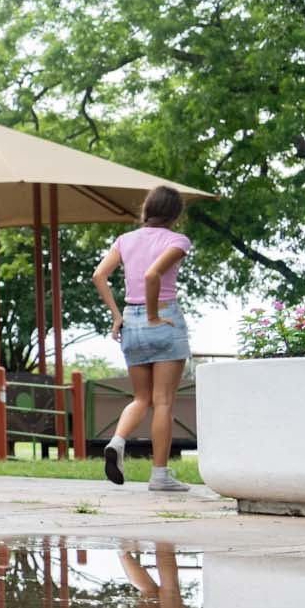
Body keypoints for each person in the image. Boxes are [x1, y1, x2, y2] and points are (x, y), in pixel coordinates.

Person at [91, 184, 193, 492]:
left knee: (140, 398)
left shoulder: (125, 240)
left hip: (130, 321)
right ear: (175, 213)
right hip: (163, 317)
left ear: (147, 208)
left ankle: (118, 441)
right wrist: (152, 315)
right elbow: (152, 275)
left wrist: (117, 315)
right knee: (163, 402)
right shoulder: (177, 240)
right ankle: (160, 476)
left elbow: (99, 276)